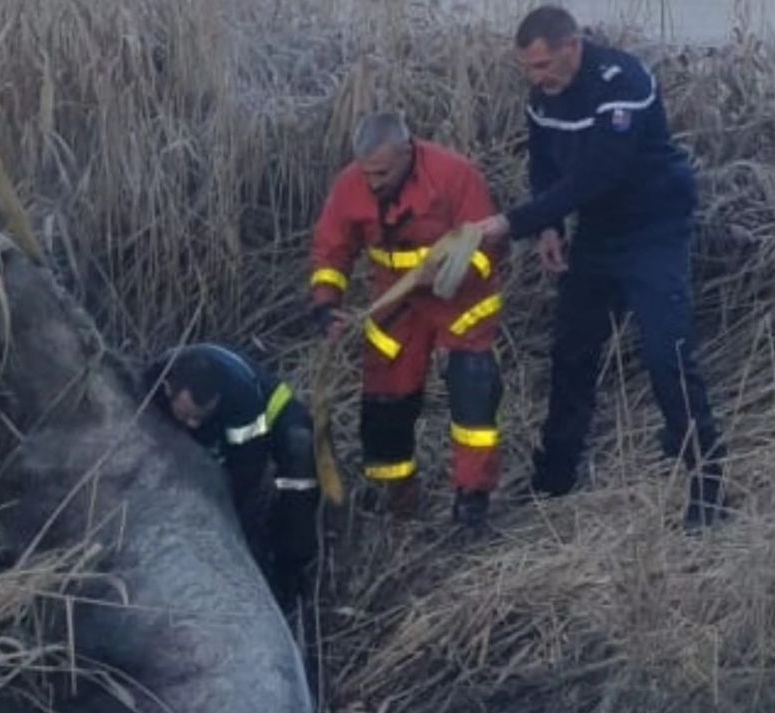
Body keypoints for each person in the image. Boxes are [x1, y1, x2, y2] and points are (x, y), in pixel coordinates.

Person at [474, 6, 724, 529]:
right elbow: (545, 166)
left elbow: (596, 176)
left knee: (666, 355)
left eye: (543, 65)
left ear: (572, 46)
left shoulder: (622, 83)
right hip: (598, 236)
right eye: (528, 69)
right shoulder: (542, 97)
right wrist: (548, 228)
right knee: (572, 352)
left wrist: (510, 223)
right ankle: (555, 477)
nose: (536, 79)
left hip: (654, 232)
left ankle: (707, 482)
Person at [309, 111, 505, 528]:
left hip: (461, 302)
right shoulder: (350, 185)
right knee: (385, 400)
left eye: (381, 173)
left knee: (473, 394)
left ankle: (472, 500)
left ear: (406, 153)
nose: (372, 183)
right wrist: (326, 304)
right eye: (367, 173)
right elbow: (331, 249)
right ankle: (397, 499)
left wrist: (454, 274)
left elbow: (488, 248)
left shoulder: (455, 176)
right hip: (396, 302)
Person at [143, 343, 319, 613]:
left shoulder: (241, 398)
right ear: (168, 389)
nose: (193, 424)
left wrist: (226, 517)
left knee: (299, 457)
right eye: (187, 416)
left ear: (217, 399)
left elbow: (247, 470)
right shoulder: (155, 379)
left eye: (200, 417)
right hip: (224, 425)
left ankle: (289, 572)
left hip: (275, 413)